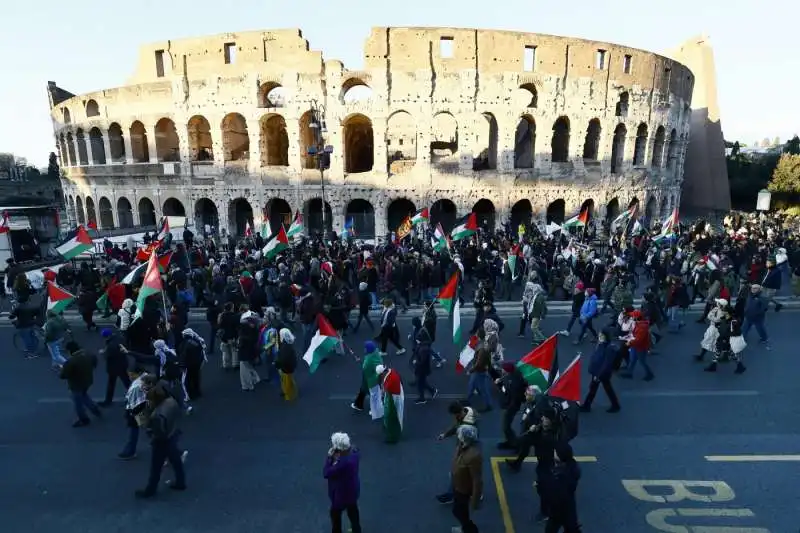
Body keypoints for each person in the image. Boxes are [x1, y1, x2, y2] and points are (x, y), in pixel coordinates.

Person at [135, 384, 187, 498]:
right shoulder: (171, 401)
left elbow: (158, 432)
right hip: (173, 434)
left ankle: (150, 490)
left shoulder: (157, 415)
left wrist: (150, 430)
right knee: (176, 461)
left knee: (156, 467)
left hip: (162, 442)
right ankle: (180, 482)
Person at [323, 432, 361, 533]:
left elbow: (326, 473)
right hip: (352, 489)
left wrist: (329, 458)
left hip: (341, 494)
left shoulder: (342, 464)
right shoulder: (354, 452)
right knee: (353, 510)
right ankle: (356, 530)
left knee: (335, 514)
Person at [59, 341, 103, 427]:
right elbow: (95, 362)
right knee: (84, 395)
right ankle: (95, 409)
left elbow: (63, 375)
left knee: (78, 403)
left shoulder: (71, 361)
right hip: (88, 381)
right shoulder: (89, 354)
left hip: (76, 384)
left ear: (70, 351)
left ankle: (84, 419)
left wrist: (62, 369)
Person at [542, 443, 582, 533]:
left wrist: (542, 487)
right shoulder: (572, 467)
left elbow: (555, 495)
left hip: (559, 509)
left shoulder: (561, 476)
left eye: (556, 452)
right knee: (571, 527)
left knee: (551, 529)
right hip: (569, 506)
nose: (554, 453)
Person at [450, 424, 483, 533]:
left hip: (463, 490)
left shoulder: (474, 456)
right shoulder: (461, 446)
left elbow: (477, 480)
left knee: (459, 512)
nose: (458, 435)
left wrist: (475, 501)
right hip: (457, 485)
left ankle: (470, 530)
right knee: (458, 511)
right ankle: (466, 527)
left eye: (459, 434)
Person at [579, 330, 621, 413]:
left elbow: (606, 364)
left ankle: (587, 406)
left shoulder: (609, 348)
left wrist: (597, 376)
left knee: (597, 388)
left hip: (601, 373)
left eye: (602, 336)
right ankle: (615, 405)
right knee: (601, 388)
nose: (599, 337)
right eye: (599, 335)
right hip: (598, 371)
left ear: (606, 337)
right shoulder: (601, 345)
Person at [119, 366, 149, 460]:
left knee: (137, 429)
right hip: (143, 410)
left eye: (132, 374)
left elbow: (133, 402)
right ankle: (130, 450)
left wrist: (129, 413)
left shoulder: (136, 386)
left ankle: (130, 451)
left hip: (138, 411)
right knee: (148, 429)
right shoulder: (145, 378)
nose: (130, 377)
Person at [98, 328, 131, 407]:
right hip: (122, 363)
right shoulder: (120, 338)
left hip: (114, 367)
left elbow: (106, 356)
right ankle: (134, 396)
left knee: (111, 384)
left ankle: (108, 401)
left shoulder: (111, 345)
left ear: (108, 336)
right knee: (127, 382)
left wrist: (103, 352)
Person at [350, 341, 384, 417]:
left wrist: (362, 363)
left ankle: (376, 410)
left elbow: (366, 368)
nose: (364, 349)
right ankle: (358, 405)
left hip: (371, 380)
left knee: (373, 395)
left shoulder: (369, 360)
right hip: (371, 379)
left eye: (365, 348)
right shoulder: (375, 353)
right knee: (364, 391)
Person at [376, 364, 404, 443]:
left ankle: (395, 432)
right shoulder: (391, 371)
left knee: (395, 413)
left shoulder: (390, 380)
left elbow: (385, 390)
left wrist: (383, 394)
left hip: (394, 396)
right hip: (395, 393)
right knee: (397, 412)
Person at [276, 328, 298, 400]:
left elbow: (283, 358)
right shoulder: (289, 343)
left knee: (286, 380)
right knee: (289, 379)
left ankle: (289, 394)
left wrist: (277, 363)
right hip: (289, 366)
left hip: (286, 367)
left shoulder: (285, 346)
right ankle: (290, 391)